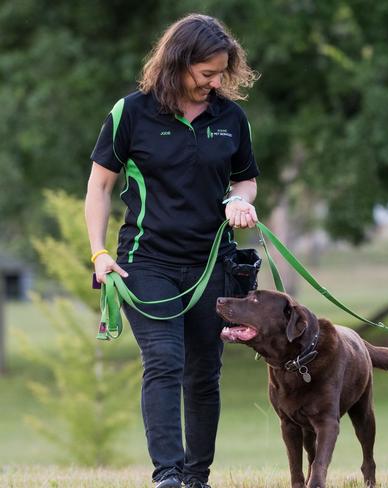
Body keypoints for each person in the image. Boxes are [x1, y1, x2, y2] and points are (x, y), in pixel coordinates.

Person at [84, 14, 259, 488]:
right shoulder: (131, 113)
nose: (215, 82)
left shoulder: (231, 118)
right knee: (163, 362)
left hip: (210, 264)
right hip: (146, 262)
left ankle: (196, 478)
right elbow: (100, 186)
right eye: (206, 73)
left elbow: (245, 176)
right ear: (178, 64)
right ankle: (168, 476)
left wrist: (241, 201)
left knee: (204, 374)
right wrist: (99, 253)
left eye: (222, 73)